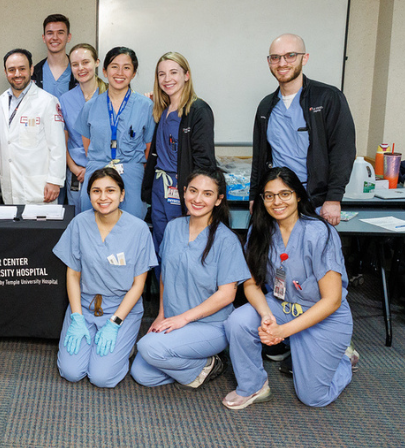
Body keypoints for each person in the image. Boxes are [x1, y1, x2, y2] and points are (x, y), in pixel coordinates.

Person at [223, 167, 359, 409]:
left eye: (285, 194)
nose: (277, 202)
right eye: (269, 195)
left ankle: (343, 361)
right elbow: (251, 283)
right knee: (238, 321)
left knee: (313, 397)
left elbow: (332, 300)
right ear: (262, 199)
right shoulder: (260, 230)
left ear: (298, 196)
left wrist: (282, 331)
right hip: (282, 306)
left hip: (323, 316)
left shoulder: (319, 233)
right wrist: (266, 316)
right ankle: (253, 386)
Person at [130, 168, 247, 389]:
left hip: (210, 325)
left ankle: (212, 361)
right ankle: (199, 364)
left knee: (148, 348)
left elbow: (227, 295)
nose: (198, 199)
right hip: (173, 320)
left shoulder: (226, 240)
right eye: (193, 191)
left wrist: (183, 319)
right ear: (184, 192)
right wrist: (161, 314)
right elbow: (166, 274)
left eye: (207, 194)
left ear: (219, 199)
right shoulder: (174, 228)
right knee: (142, 374)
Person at [55, 167, 158, 388]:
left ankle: (125, 343)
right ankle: (93, 337)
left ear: (122, 195)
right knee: (71, 372)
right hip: (84, 306)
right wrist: (77, 318)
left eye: (110, 190)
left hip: (120, 309)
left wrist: (115, 323)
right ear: (89, 195)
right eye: (96, 191)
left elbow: (138, 285)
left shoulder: (138, 230)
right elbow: (73, 274)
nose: (103, 197)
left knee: (102, 378)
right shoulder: (79, 224)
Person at [250, 33, 355, 227]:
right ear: (269, 62)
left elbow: (343, 151)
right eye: (275, 57)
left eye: (290, 55)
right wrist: (253, 196)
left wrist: (333, 199)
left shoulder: (327, 98)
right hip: (277, 202)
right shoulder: (266, 106)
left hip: (314, 202)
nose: (282, 63)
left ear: (304, 58)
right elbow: (260, 157)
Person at [142, 52, 216, 259]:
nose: (167, 79)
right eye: (162, 74)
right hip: (160, 187)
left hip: (181, 187)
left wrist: (195, 195)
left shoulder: (198, 110)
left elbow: (204, 161)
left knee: (181, 247)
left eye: (173, 72)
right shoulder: (162, 110)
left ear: (186, 75)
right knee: (160, 244)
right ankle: (164, 290)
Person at [76, 46, 154, 218]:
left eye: (126, 67)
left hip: (131, 175)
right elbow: (88, 147)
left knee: (131, 228)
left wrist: (132, 168)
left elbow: (149, 148)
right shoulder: (90, 107)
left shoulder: (146, 106)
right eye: (114, 66)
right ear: (104, 71)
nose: (120, 72)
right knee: (92, 227)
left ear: (133, 73)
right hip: (97, 173)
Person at [0, 48, 66, 204]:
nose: (17, 74)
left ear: (31, 69)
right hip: (11, 184)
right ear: (5, 72)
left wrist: (55, 181)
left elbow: (58, 146)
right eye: (12, 70)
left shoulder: (47, 101)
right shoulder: (2, 100)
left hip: (39, 187)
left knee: (39, 227)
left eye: (22, 69)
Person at [60, 44, 106, 213]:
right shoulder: (65, 100)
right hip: (76, 172)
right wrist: (74, 167)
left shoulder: (110, 95)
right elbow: (62, 141)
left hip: (106, 170)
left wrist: (94, 169)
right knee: (79, 221)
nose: (81, 68)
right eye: (75, 64)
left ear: (96, 62)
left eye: (85, 62)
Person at [31, 13, 74, 99]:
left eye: (60, 33)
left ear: (68, 37)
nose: (55, 37)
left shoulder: (79, 71)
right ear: (44, 38)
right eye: (50, 33)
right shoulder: (34, 74)